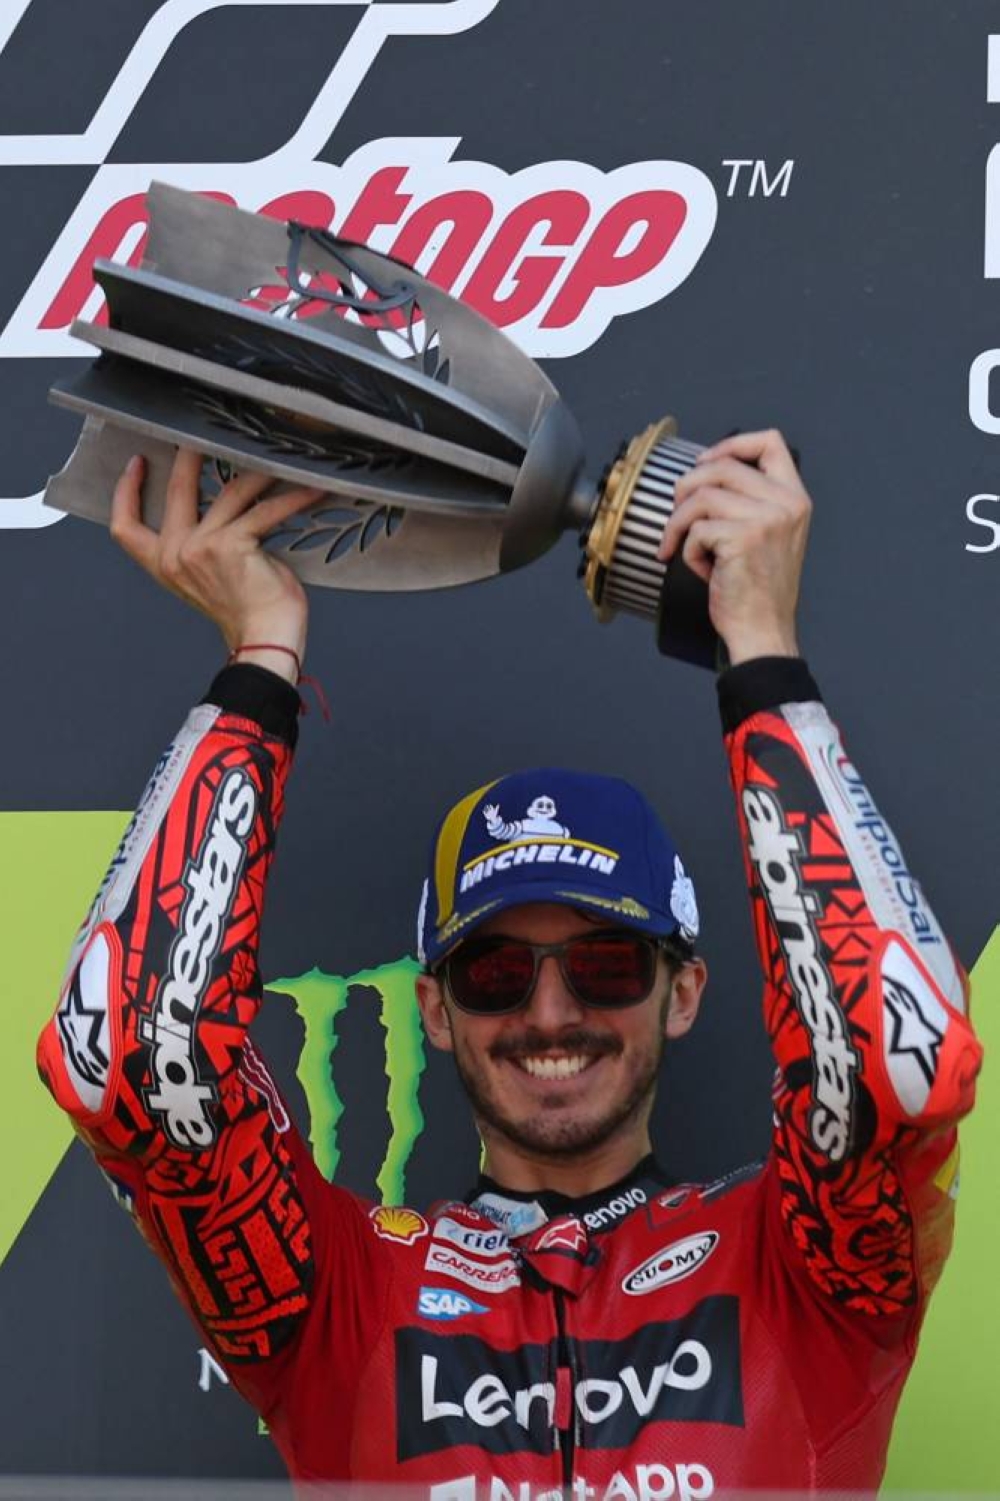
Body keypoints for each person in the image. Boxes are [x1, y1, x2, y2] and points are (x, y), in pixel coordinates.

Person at [37, 430, 981, 1499]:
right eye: (493, 971)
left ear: (685, 990)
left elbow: (896, 1064)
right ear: (433, 1008)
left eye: (608, 962)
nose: (549, 1011)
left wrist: (758, 650)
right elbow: (123, 1058)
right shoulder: (340, 1296)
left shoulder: (804, 1273)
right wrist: (263, 656)